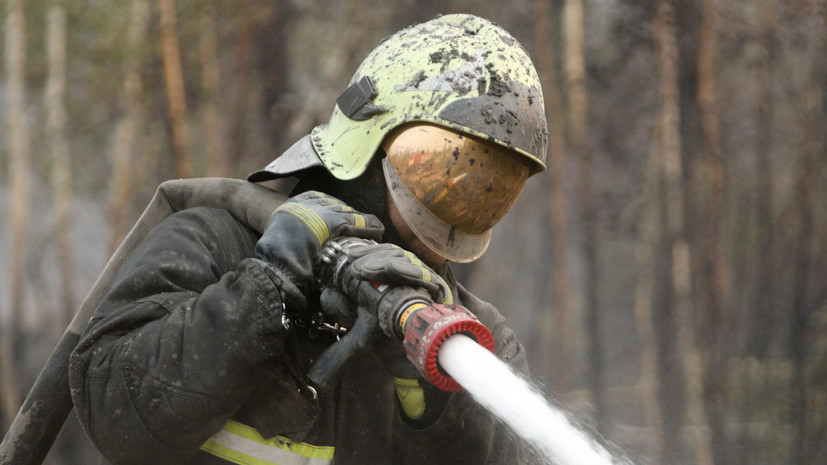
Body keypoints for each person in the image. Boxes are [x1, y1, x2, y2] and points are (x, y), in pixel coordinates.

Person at [69, 13, 548, 465]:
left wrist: (440, 402)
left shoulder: (473, 344)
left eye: (487, 192)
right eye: (442, 172)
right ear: (371, 141)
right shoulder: (212, 246)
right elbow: (115, 415)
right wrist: (263, 289)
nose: (455, 210)